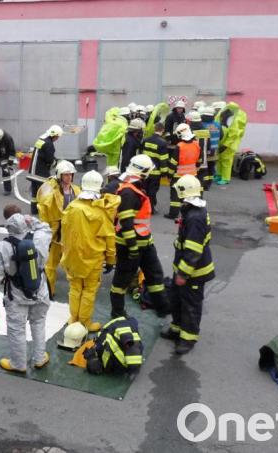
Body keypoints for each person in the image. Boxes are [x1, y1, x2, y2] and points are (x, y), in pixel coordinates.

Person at [0, 205, 53, 372]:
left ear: (6, 223)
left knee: (17, 329)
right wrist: (33, 221)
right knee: (38, 323)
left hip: (16, 295)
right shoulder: (39, 237)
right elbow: (46, 227)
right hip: (40, 289)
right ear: (23, 218)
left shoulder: (3, 246)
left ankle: (18, 363)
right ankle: (39, 358)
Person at [110, 155, 170, 318]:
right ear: (144, 172)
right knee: (122, 281)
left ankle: (163, 307)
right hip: (130, 246)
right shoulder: (128, 192)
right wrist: (132, 248)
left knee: (155, 275)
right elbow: (126, 223)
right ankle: (117, 313)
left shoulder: (135, 188)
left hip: (145, 244)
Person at [162, 175, 215, 354]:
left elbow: (193, 251)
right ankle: (177, 329)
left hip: (194, 272)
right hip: (184, 267)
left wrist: (183, 274)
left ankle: (188, 338)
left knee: (190, 305)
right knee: (177, 299)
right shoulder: (191, 210)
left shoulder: (195, 217)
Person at [60, 170, 118, 332]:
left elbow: (64, 232)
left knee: (75, 288)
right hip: (93, 258)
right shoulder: (101, 211)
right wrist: (111, 260)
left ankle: (73, 318)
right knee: (89, 290)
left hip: (72, 257)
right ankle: (85, 323)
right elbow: (109, 237)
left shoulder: (71, 207)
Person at [36, 160, 80, 296]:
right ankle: (49, 292)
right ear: (60, 175)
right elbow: (43, 208)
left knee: (72, 264)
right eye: (66, 175)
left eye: (71, 175)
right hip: (55, 235)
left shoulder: (76, 190)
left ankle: (76, 292)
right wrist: (46, 231)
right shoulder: (50, 190)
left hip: (70, 233)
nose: (69, 177)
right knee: (50, 265)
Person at [166, 124, 202, 219]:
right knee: (190, 194)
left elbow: (173, 163)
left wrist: (169, 175)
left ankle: (173, 214)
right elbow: (199, 160)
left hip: (179, 176)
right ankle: (190, 212)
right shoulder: (197, 144)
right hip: (192, 175)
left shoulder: (179, 146)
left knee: (175, 196)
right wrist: (196, 168)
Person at [28, 125, 63, 214]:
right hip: (40, 173)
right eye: (58, 137)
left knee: (35, 192)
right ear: (55, 135)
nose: (57, 139)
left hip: (33, 171)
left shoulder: (41, 139)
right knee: (45, 192)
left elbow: (42, 154)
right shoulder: (49, 144)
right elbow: (49, 160)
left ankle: (34, 210)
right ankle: (44, 211)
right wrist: (56, 163)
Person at [215, 101, 247, 185]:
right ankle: (219, 175)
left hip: (229, 145)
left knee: (226, 161)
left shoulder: (234, 121)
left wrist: (225, 145)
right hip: (222, 143)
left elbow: (233, 135)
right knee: (220, 160)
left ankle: (225, 178)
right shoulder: (223, 116)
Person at [140, 121, 169, 211]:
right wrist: (164, 173)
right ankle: (150, 208)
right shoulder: (163, 143)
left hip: (145, 171)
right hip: (155, 172)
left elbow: (141, 154)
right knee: (152, 191)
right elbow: (163, 159)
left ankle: (142, 206)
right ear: (162, 130)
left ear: (154, 129)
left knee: (144, 189)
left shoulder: (146, 140)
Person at [188, 111, 211, 190]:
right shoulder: (206, 131)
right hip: (203, 160)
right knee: (201, 178)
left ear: (191, 121)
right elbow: (208, 145)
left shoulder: (190, 131)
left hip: (192, 161)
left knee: (191, 179)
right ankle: (202, 190)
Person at [200, 107, 222, 190]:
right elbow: (221, 136)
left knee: (203, 167)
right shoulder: (217, 124)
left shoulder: (201, 125)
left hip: (204, 150)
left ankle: (203, 184)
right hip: (214, 150)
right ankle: (208, 184)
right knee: (211, 167)